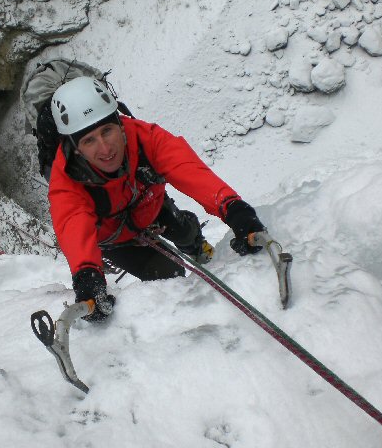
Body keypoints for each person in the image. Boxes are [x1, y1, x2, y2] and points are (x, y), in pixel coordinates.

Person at [47, 76, 265, 321]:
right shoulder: (67, 179)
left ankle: (198, 248)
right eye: (89, 141)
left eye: (106, 131)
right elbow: (73, 224)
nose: (105, 149)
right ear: (76, 148)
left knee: (185, 232)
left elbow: (186, 168)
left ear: (120, 124)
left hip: (150, 207)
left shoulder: (144, 138)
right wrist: (87, 276)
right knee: (167, 274)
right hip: (116, 239)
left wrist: (234, 209)